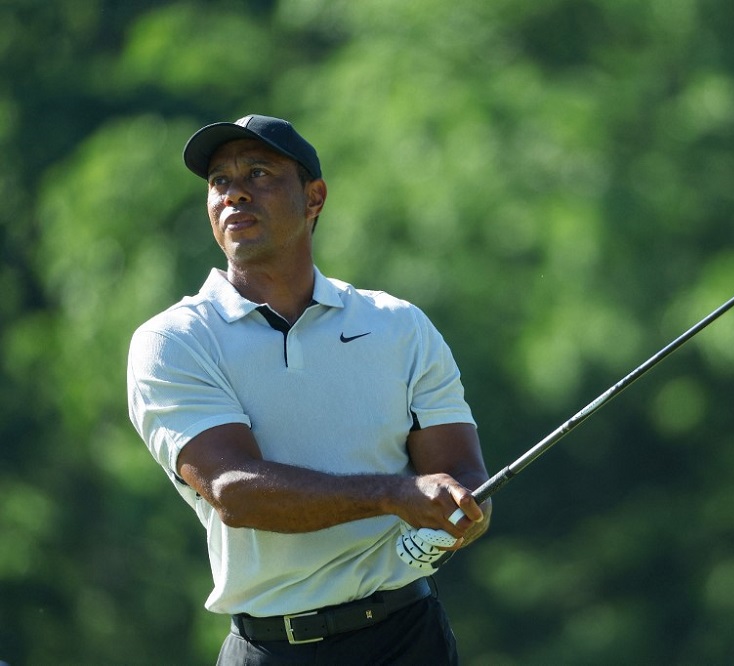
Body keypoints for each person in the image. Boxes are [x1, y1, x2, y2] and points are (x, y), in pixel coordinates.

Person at [127, 114, 491, 664]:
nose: (235, 195)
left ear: (313, 197)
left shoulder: (399, 325)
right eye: (219, 181)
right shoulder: (175, 340)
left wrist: (458, 513)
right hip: (273, 648)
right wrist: (397, 497)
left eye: (259, 174)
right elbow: (235, 490)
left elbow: (463, 475)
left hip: (408, 636)